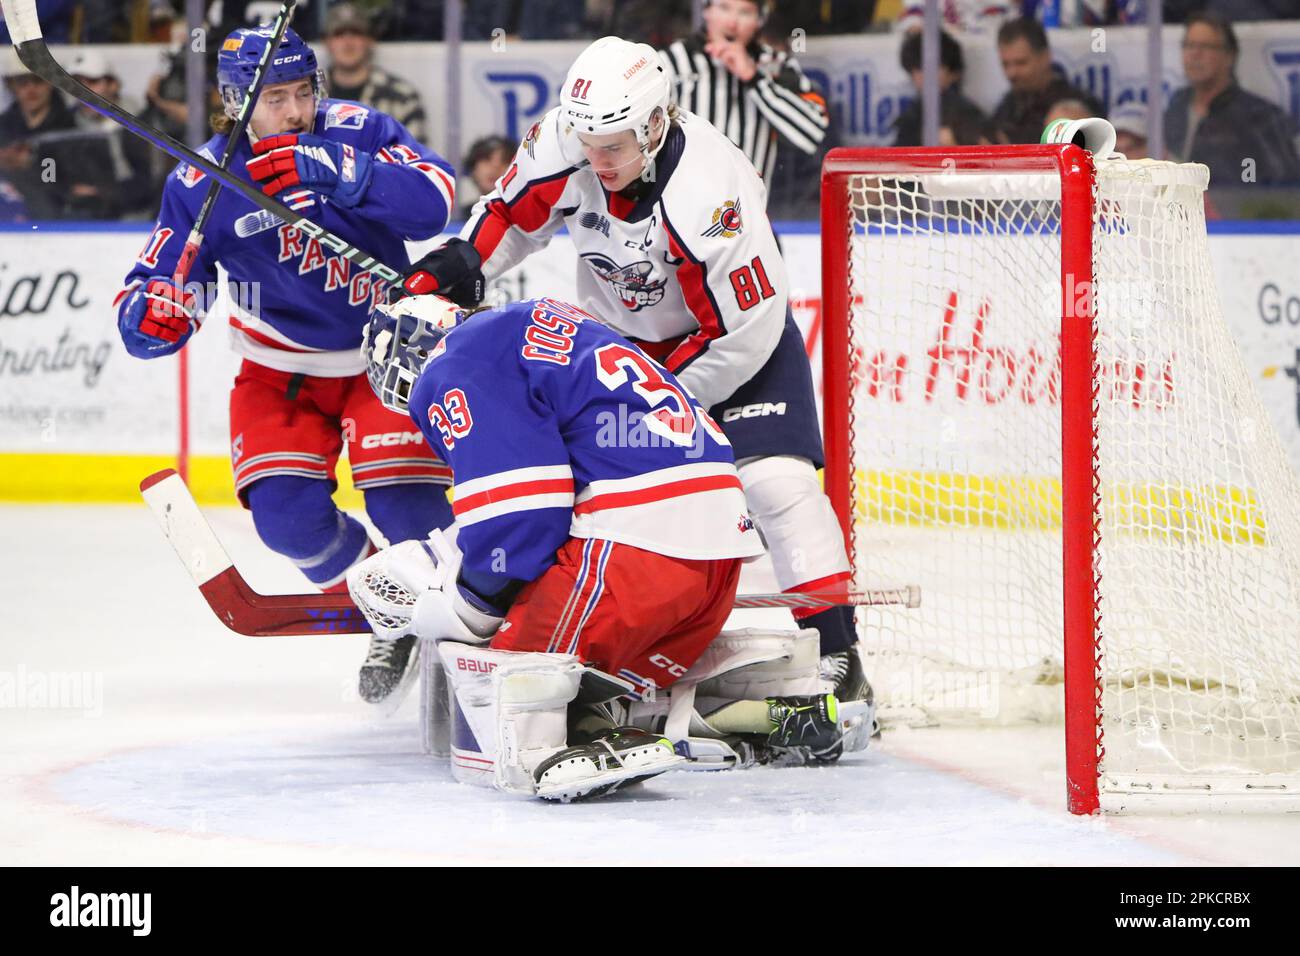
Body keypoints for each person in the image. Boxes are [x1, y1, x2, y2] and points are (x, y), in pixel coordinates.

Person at [395, 36, 875, 758]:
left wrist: (664, 409)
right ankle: (601, 654)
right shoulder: (572, 139)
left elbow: (742, 331)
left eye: (614, 144)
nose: (598, 159)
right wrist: (465, 258)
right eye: (588, 142)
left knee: (777, 487)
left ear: (656, 124)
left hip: (733, 349)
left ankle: (841, 657)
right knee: (600, 510)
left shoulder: (713, 195)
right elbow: (509, 215)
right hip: (617, 348)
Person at [349, 292, 852, 799]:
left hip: (636, 553)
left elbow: (520, 516)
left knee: (508, 684)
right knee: (602, 690)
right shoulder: (539, 324)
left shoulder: (456, 358)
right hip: (713, 566)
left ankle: (576, 741)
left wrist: (468, 608)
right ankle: (761, 709)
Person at [114, 26, 458, 704]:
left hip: (383, 356)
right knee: (287, 521)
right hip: (281, 371)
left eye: (304, 92)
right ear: (237, 103)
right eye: (275, 98)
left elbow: (439, 201)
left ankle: (455, 631)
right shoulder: (201, 181)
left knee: (407, 506)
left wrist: (343, 173)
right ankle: (389, 608)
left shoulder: (355, 130)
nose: (297, 112)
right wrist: (156, 315)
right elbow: (163, 287)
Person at [658, 0, 829, 191]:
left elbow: (813, 133)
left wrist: (754, 78)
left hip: (749, 212)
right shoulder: (668, 63)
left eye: (745, 12)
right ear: (707, 11)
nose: (732, 22)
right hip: (680, 208)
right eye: (724, 8)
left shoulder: (776, 64)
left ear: (760, 20)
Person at [1164, 13, 1300, 187]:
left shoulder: (1260, 117)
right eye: (1189, 46)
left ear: (1229, 56)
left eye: (1205, 46)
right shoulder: (1175, 108)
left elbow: (1284, 188)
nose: (1195, 54)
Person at [58, 49, 154, 219]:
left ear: (113, 85)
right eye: (77, 83)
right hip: (81, 219)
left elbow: (152, 182)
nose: (83, 91)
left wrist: (103, 192)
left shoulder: (142, 124)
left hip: (136, 221)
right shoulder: (66, 124)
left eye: (92, 82)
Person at [323, 3, 429, 145]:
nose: (348, 43)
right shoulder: (306, 94)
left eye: (356, 33)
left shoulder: (402, 97)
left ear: (370, 40)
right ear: (327, 42)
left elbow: (415, 159)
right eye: (339, 34)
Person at [987, 18, 1104, 145]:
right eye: (1005, 64)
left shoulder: (1077, 106)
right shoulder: (1006, 109)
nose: (1012, 73)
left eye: (1021, 63)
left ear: (1045, 57)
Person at [0, 51, 75, 218]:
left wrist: (31, 163)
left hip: (53, 216)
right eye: (22, 82)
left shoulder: (70, 127)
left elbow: (67, 182)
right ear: (11, 85)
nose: (31, 89)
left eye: (38, 80)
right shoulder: (3, 125)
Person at [892, 29, 988, 147]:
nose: (922, 75)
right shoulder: (913, 114)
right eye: (917, 68)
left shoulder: (967, 114)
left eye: (933, 67)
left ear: (954, 73)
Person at [458, 134, 514, 220]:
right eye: (487, 159)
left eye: (505, 160)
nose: (495, 166)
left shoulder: (528, 217)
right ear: (473, 170)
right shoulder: (460, 217)